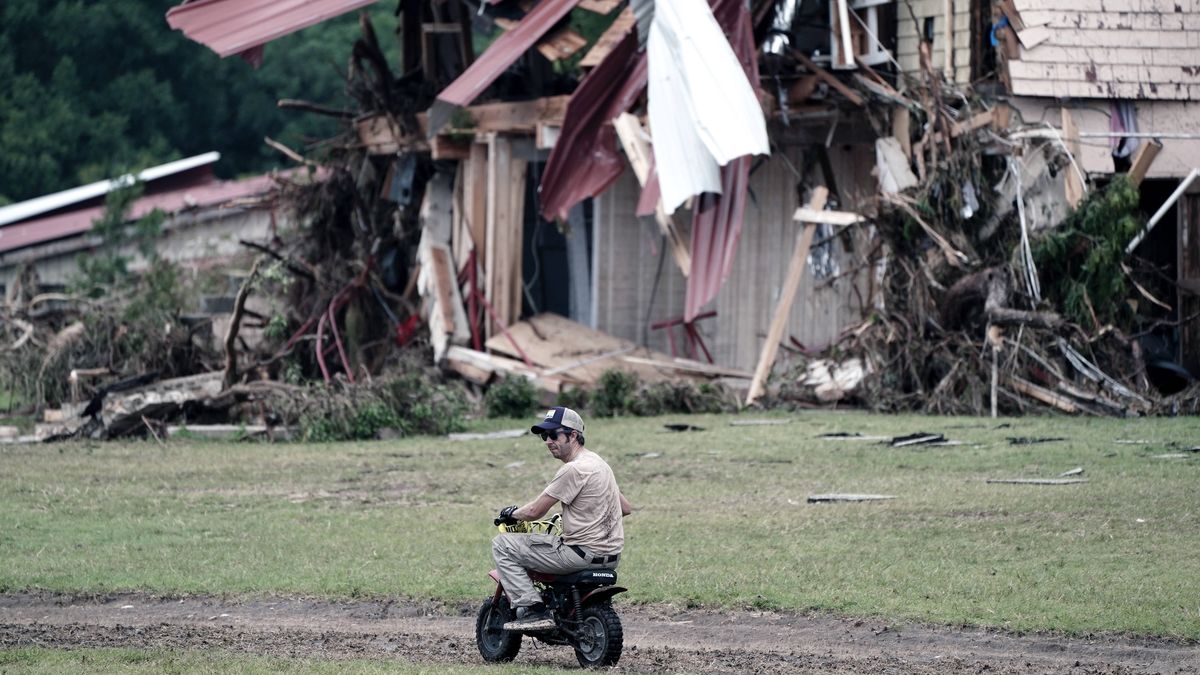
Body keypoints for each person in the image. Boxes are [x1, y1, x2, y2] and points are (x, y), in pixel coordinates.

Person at [492, 406, 633, 631]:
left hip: (580, 554)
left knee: (502, 545)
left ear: (573, 435)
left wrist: (510, 514)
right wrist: (584, 513)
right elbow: (624, 508)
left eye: (554, 434)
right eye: (544, 436)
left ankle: (532, 609)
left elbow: (534, 512)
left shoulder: (573, 470)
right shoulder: (599, 464)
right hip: (611, 556)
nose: (548, 441)